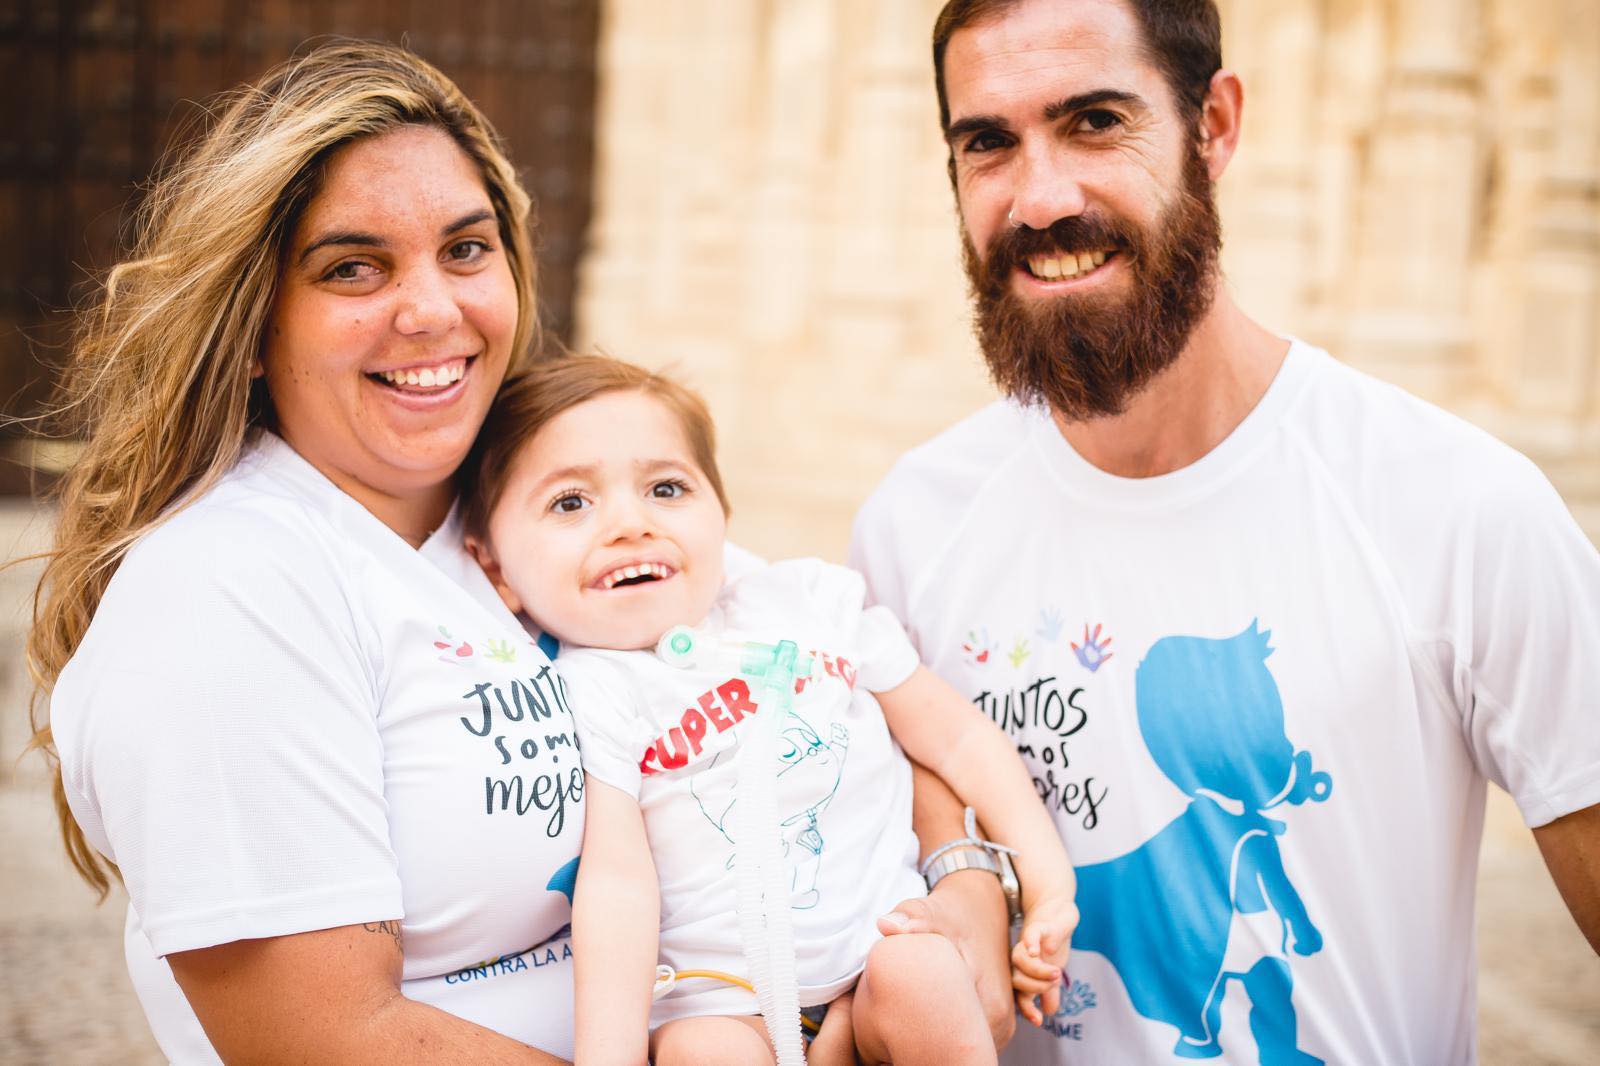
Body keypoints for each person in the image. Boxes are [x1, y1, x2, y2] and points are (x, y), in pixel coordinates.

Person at [849, 1, 1600, 1064]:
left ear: (1215, 127)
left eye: (1097, 122)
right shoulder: (908, 532)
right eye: (988, 144)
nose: (1042, 197)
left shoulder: (1455, 507)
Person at [27, 42, 586, 1063]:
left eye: (466, 249)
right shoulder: (224, 591)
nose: (431, 310)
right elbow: (328, 1040)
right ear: (250, 324)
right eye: (351, 268)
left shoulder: (546, 511)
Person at [459, 353, 1079, 1066]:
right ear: (496, 568)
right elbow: (617, 884)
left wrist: (1048, 882)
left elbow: (960, 741)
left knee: (924, 973)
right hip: (719, 998)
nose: (631, 523)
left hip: (878, 956)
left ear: (721, 516)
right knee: (703, 1052)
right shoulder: (594, 688)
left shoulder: (811, 604)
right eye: (571, 503)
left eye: (667, 488)